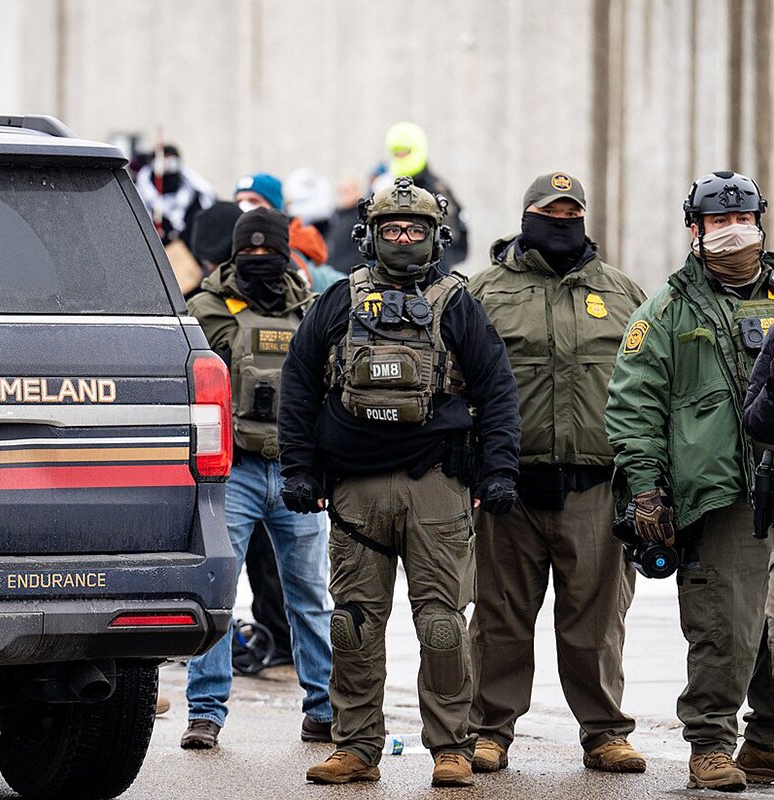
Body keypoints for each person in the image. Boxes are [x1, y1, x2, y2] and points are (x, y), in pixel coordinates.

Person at [280, 177, 521, 788]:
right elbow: (300, 386)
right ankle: (356, 746)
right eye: (393, 229)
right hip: (355, 491)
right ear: (371, 236)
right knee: (353, 621)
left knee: (442, 624)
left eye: (416, 230)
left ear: (437, 237)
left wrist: (498, 471)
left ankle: (452, 747)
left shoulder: (459, 304)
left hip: (437, 485)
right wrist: (298, 468)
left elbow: (497, 392)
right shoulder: (337, 301)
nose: (405, 239)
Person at [466, 172, 648, 775]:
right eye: (550, 212)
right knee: (499, 618)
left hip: (596, 488)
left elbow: (651, 390)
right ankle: (489, 730)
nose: (562, 222)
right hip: (507, 490)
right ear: (527, 218)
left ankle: (604, 731)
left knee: (596, 623)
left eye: (572, 213)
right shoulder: (485, 292)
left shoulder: (623, 292)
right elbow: (458, 386)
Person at [606, 170, 774, 792]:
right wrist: (646, 488)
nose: (733, 231)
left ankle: (766, 746)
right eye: (717, 222)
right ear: (695, 230)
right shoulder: (667, 311)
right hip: (721, 493)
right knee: (725, 624)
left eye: (743, 219)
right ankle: (710, 745)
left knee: (772, 626)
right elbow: (632, 404)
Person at [180, 207, 334, 750]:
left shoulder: (311, 310)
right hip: (233, 473)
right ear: (236, 253)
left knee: (310, 597)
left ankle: (325, 710)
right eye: (254, 250)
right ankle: (205, 713)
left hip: (295, 473)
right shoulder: (205, 309)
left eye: (273, 250)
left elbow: (329, 389)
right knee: (218, 591)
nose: (263, 259)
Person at [373, 122, 468, 270]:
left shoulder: (437, 189)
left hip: (430, 270)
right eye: (396, 153)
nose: (400, 157)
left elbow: (454, 236)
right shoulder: (384, 186)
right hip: (389, 269)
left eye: (404, 152)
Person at [234, 172, 346, 289]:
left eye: (254, 201)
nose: (244, 207)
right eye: (239, 201)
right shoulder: (226, 245)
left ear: (275, 206)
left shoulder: (300, 244)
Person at [134, 144, 215, 246]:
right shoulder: (139, 203)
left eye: (171, 164)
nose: (167, 171)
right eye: (162, 164)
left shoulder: (196, 198)